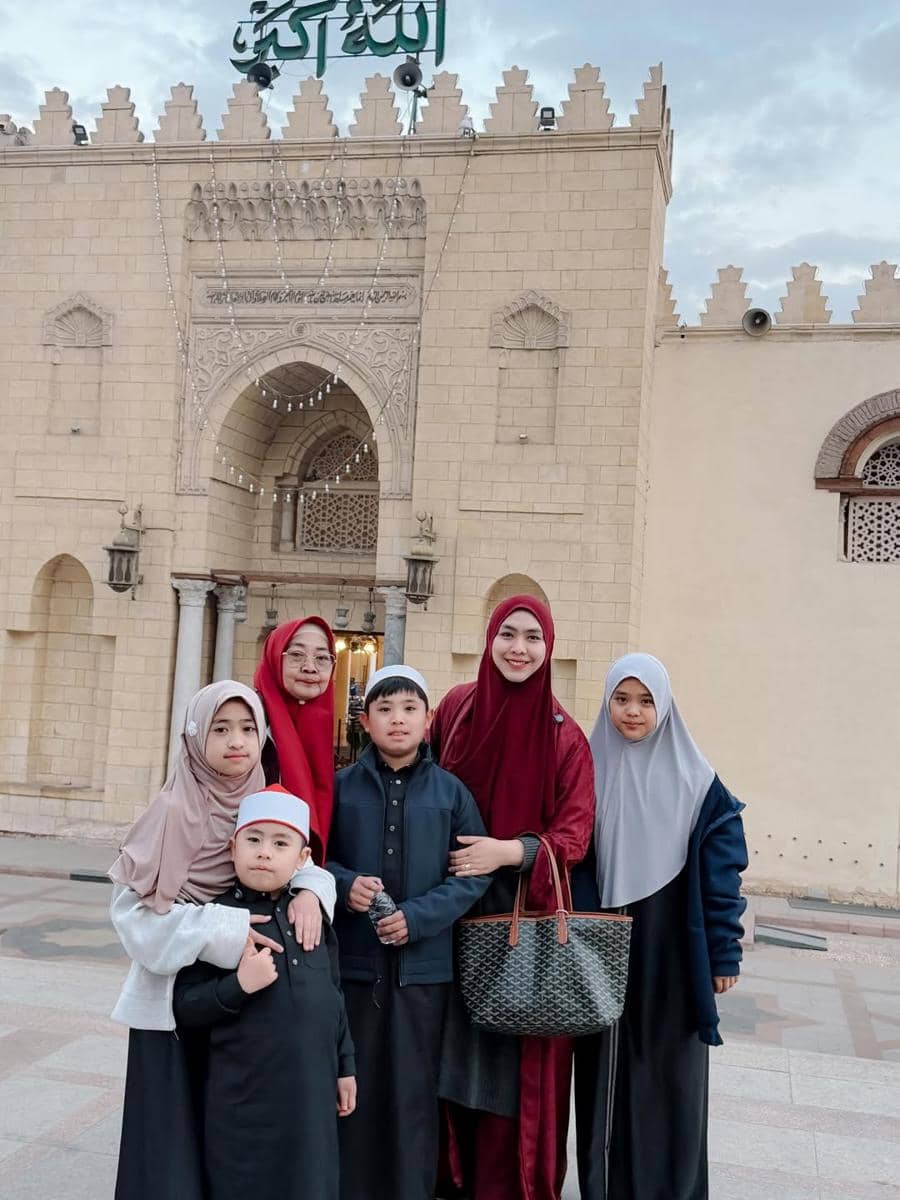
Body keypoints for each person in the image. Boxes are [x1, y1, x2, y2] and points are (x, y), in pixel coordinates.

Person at [109, 680, 336, 1200]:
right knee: (171, 1153)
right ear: (195, 737)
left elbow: (294, 856)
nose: (237, 741)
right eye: (221, 728)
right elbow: (133, 921)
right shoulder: (170, 811)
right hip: (172, 1007)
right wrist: (222, 930)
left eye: (248, 728)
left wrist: (313, 890)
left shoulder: (259, 800)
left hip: (241, 1016)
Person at [429, 596, 596, 1200]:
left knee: (510, 1074)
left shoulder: (565, 738)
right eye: (508, 634)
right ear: (489, 638)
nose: (519, 649)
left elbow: (574, 835)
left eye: (532, 637)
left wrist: (508, 851)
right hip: (448, 917)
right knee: (449, 1064)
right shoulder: (456, 710)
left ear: (549, 648)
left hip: (520, 928)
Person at [572, 653, 748, 1200]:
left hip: (671, 944)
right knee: (606, 1073)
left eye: (646, 701)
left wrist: (724, 954)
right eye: (621, 699)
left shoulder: (699, 784)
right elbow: (571, 851)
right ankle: (607, 1187)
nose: (632, 712)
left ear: (665, 706)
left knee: (671, 1075)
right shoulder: (586, 769)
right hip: (600, 945)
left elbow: (722, 878)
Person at [326, 665, 492, 1200]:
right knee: (354, 1087)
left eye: (409, 709)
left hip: (425, 977)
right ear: (365, 720)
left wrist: (418, 918)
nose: (397, 720)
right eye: (385, 710)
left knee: (414, 1095)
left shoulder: (451, 793)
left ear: (428, 721)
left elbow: (473, 874)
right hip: (355, 970)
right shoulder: (339, 788)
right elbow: (309, 858)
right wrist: (344, 884)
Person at [173, 785, 357, 1200]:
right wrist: (238, 985)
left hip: (310, 1098)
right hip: (243, 1104)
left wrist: (345, 1067)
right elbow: (184, 1007)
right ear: (233, 846)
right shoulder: (216, 919)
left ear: (302, 857)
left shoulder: (311, 916)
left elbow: (334, 996)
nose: (264, 852)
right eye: (253, 840)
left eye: (280, 843)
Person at [254, 616, 337, 866]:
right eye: (297, 655)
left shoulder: (320, 721)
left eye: (322, 658)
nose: (310, 667)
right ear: (274, 657)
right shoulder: (250, 721)